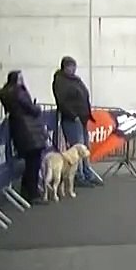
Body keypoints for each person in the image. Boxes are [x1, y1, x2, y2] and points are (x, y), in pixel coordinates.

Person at [0, 70, 48, 203]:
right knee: (34, 164)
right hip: (29, 130)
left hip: (19, 130)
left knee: (30, 163)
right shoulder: (19, 92)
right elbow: (32, 109)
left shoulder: (7, 94)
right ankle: (32, 194)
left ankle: (26, 191)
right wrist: (37, 108)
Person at [51, 55, 103, 187]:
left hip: (82, 118)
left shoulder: (76, 80)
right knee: (76, 149)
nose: (73, 69)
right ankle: (78, 175)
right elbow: (61, 101)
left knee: (85, 148)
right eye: (70, 66)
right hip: (72, 119)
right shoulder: (60, 81)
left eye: (74, 66)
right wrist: (73, 115)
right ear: (65, 67)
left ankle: (86, 172)